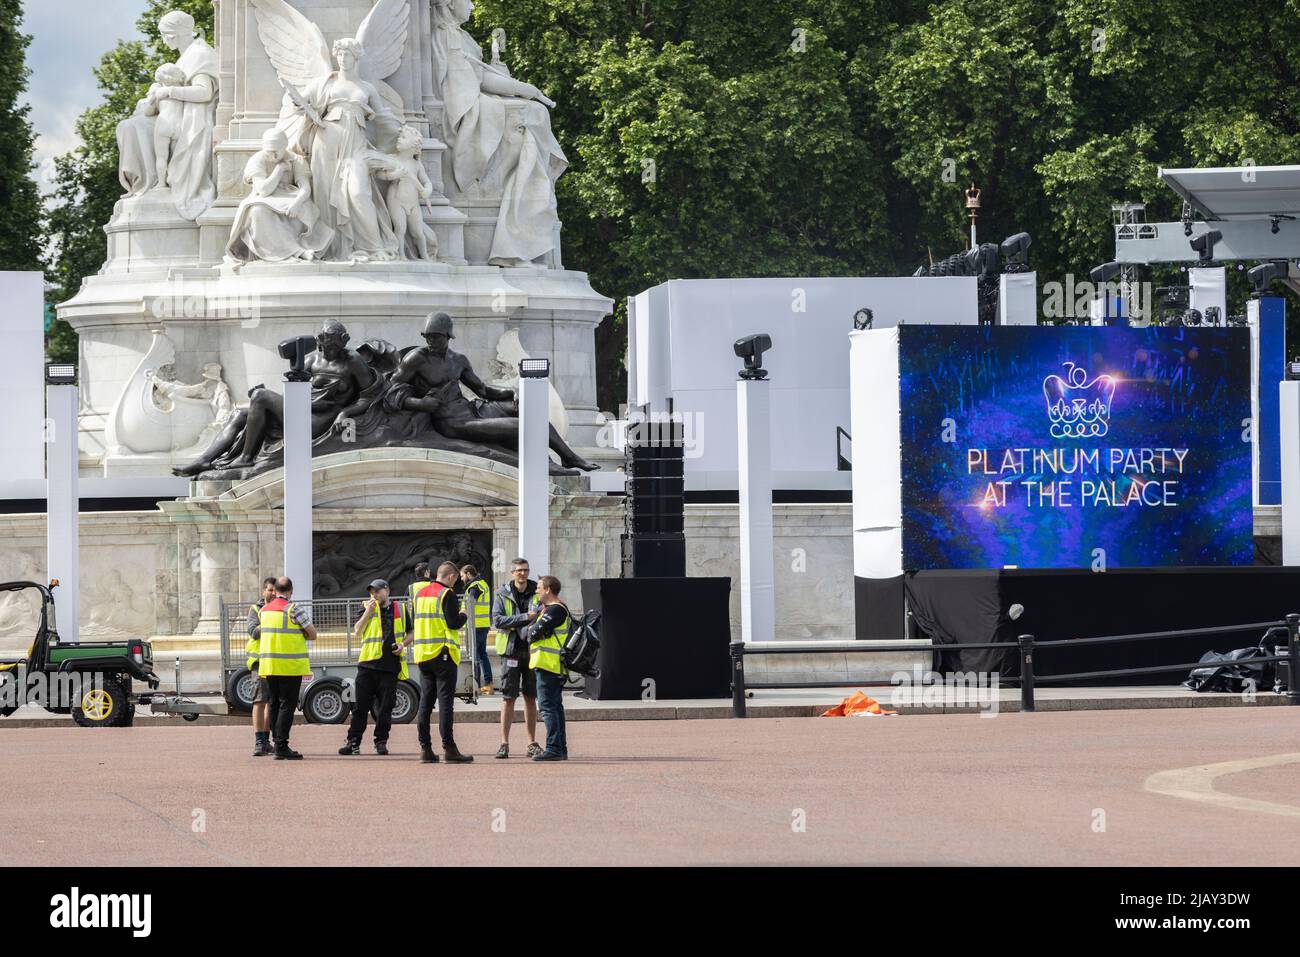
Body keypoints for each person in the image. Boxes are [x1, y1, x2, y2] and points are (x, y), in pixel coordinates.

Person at [340, 580, 409, 756]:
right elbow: (357, 631)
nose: (374, 595)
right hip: (367, 665)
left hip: (389, 666)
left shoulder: (400, 609)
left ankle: (381, 741)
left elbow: (412, 632)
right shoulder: (366, 607)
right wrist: (368, 613)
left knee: (385, 708)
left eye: (378, 591)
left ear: (387, 591)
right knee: (360, 707)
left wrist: (402, 644)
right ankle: (353, 742)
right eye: (372, 592)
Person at [413, 562, 472, 763]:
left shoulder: (419, 594)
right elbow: (453, 622)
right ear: (450, 577)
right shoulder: (447, 594)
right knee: (445, 703)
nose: (455, 583)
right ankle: (449, 748)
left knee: (425, 704)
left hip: (423, 654)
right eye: (455, 579)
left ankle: (425, 749)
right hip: (443, 654)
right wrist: (465, 613)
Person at [258, 576, 317, 760]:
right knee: (286, 706)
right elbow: (312, 633)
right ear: (291, 591)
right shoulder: (294, 608)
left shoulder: (265, 610)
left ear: (274, 591)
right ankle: (282, 745)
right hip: (290, 666)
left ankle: (276, 743)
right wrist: (301, 634)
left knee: (274, 704)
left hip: (269, 665)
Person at [490, 558, 542, 759]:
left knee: (530, 697)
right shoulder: (502, 593)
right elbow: (497, 621)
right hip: (511, 651)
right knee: (508, 697)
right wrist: (525, 618)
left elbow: (541, 616)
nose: (523, 573)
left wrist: (530, 618)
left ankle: (531, 743)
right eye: (519, 570)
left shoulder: (537, 591)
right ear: (512, 573)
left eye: (526, 570)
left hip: (531, 651)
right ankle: (504, 743)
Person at [524, 574, 570, 762]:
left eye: (539, 588)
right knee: (555, 707)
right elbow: (534, 632)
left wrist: (533, 631)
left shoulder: (555, 610)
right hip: (550, 664)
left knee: (547, 707)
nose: (536, 590)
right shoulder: (551, 609)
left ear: (548, 589)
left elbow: (532, 632)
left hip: (549, 664)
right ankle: (560, 748)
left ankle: (553, 748)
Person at [247, 576, 278, 757]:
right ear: (263, 591)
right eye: (270, 590)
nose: (273, 593)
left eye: (275, 590)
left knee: (271, 703)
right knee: (259, 701)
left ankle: (266, 741)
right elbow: (253, 631)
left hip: (276, 661)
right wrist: (268, 618)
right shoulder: (256, 609)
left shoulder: (282, 609)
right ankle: (259, 742)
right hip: (259, 662)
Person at [460, 564, 493, 694]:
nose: (462, 579)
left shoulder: (475, 586)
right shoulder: (482, 584)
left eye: (462, 575)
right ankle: (488, 684)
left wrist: (461, 613)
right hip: (482, 625)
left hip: (476, 626)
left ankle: (477, 686)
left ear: (468, 574)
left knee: (475, 656)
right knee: (482, 655)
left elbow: (470, 603)